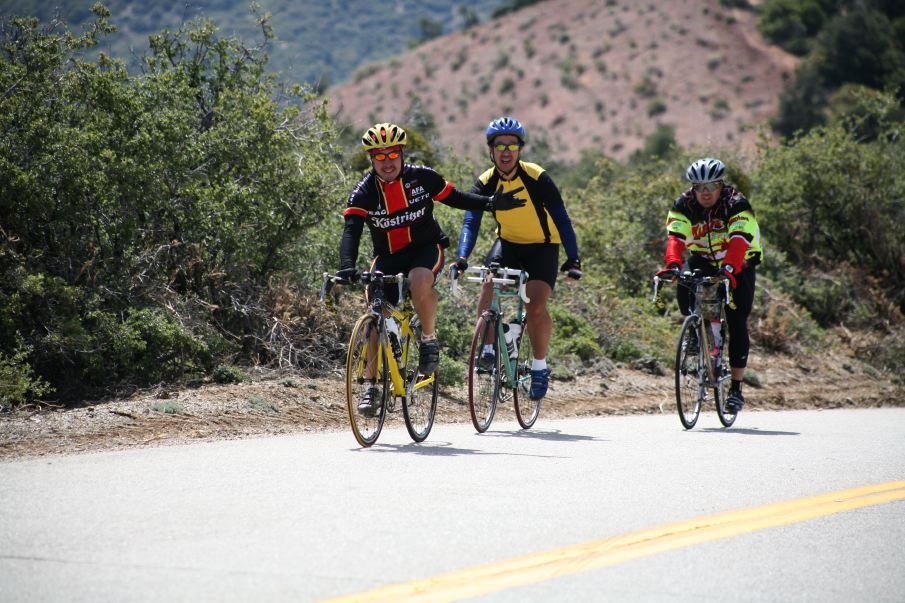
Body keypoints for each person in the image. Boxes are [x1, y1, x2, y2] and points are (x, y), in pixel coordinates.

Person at [337, 122, 526, 415]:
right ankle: (371, 389)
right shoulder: (364, 192)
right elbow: (351, 232)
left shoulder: (422, 178)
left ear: (401, 154)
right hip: (387, 257)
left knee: (419, 280)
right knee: (376, 316)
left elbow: (457, 198)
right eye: (379, 157)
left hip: (425, 249)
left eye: (392, 155)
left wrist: (490, 202)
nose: (387, 162)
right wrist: (347, 267)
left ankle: (428, 340)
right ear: (371, 159)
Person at [454, 117, 582, 403]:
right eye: (499, 146)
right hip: (508, 244)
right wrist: (462, 258)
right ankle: (488, 350)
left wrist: (574, 259)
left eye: (512, 145)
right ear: (491, 150)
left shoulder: (537, 177)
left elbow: (562, 219)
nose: (506, 151)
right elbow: (470, 221)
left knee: (534, 307)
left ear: (520, 150)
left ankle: (539, 366)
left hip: (543, 247)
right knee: (489, 282)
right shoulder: (486, 182)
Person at [655, 157, 763, 413]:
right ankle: (697, 332)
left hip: (741, 261)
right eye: (698, 186)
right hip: (702, 258)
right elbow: (676, 238)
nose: (704, 193)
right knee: (684, 285)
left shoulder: (737, 204)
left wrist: (729, 269)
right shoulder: (683, 204)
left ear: (721, 185)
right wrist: (672, 263)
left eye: (711, 186)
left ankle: (735, 390)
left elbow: (738, 240)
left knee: (737, 321)